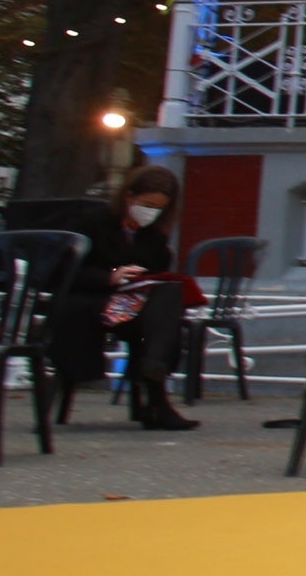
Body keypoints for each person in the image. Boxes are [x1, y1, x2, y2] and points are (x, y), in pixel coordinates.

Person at [49, 163, 199, 430]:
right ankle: (156, 390)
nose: (151, 213)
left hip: (132, 306)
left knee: (167, 293)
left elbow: (158, 271)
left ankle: (153, 367)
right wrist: (110, 277)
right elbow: (61, 270)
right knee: (159, 318)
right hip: (89, 299)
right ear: (129, 197)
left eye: (158, 208)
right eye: (147, 204)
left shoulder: (152, 238)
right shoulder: (91, 222)